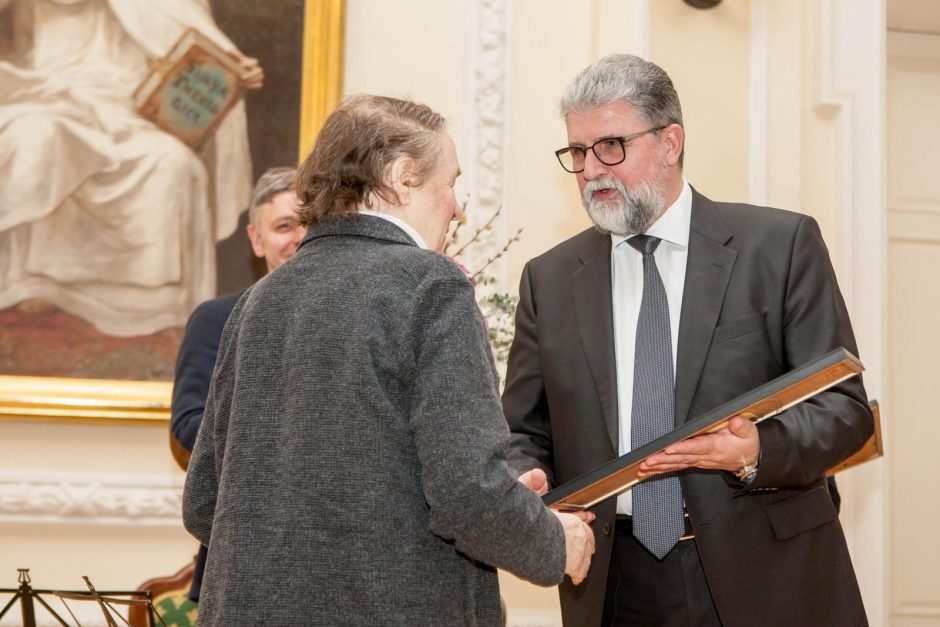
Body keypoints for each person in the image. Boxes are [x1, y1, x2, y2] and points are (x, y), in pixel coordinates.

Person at [182, 94, 596, 625]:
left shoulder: (260, 299)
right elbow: (466, 494)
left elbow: (203, 503)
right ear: (403, 178)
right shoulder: (431, 283)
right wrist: (555, 542)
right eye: (450, 182)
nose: (457, 205)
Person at [502, 53, 873, 627]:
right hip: (613, 584)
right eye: (578, 152)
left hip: (766, 573)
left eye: (611, 146)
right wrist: (528, 482)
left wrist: (754, 451)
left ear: (670, 141)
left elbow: (845, 412)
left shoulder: (778, 246)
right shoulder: (548, 279)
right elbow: (525, 431)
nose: (592, 170)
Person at [0, 0, 262, 336]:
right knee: (38, 136)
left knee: (174, 166)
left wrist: (232, 66)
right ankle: (32, 282)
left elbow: (198, 45)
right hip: (50, 99)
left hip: (128, 111)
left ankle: (157, 311)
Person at [170, 166, 304, 603]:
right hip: (242, 557)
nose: (299, 236)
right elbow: (189, 425)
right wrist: (295, 438)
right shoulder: (217, 319)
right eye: (284, 225)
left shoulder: (362, 316)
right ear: (256, 238)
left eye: (310, 223)